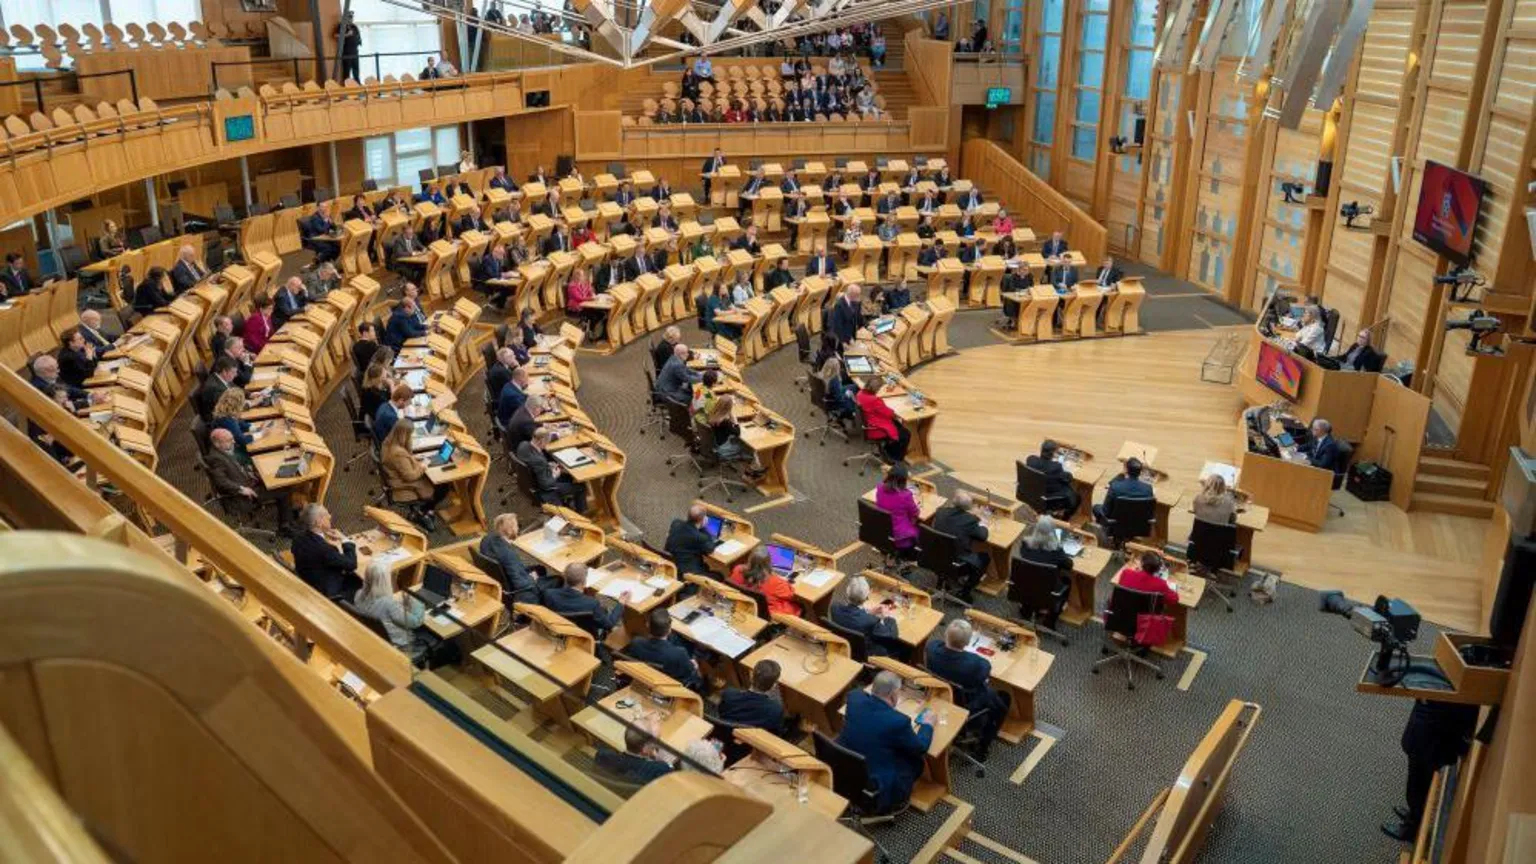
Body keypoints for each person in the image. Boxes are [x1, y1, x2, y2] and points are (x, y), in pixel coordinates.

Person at [837, 671, 935, 814]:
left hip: (846, 769)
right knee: (915, 759)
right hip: (879, 784)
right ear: (894, 695)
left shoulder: (854, 699)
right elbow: (920, 748)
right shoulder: (898, 722)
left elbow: (861, 696)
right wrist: (928, 725)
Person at [1382, 700, 1480, 841]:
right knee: (1418, 779)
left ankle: (1412, 828)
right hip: (1437, 718)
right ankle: (1414, 815)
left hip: (1433, 732)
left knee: (1418, 782)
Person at [926, 619, 1010, 759]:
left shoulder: (932, 648)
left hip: (938, 696)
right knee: (1002, 701)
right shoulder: (976, 664)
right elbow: (986, 668)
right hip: (965, 704)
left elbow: (938, 644)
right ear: (968, 642)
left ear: (946, 634)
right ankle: (984, 746)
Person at [204, 427, 293, 533]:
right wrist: (241, 489)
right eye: (229, 440)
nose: (234, 441)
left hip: (248, 481)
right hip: (243, 496)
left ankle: (287, 518)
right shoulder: (216, 459)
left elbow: (235, 468)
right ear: (217, 444)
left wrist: (251, 473)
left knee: (272, 475)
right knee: (284, 490)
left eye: (232, 438)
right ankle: (285, 527)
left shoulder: (222, 451)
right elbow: (221, 482)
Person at [353, 560, 432, 663]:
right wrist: (418, 602)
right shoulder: (388, 604)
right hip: (401, 644)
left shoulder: (358, 594)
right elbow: (415, 622)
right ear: (385, 580)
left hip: (377, 638)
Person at [381, 420, 449, 524]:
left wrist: (415, 460)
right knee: (443, 486)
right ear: (404, 435)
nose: (411, 437)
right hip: (403, 483)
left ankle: (426, 510)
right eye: (410, 435)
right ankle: (424, 510)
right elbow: (410, 476)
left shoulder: (387, 442)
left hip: (394, 478)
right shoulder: (398, 454)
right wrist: (423, 466)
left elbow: (405, 461)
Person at [290, 504, 360, 601]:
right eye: (326, 514)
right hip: (328, 592)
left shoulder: (298, 538)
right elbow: (352, 564)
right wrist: (345, 540)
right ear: (318, 522)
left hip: (309, 580)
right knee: (362, 582)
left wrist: (323, 537)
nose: (330, 516)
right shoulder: (325, 550)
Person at [626, 608, 704, 692]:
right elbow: (689, 671)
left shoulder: (636, 642)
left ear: (647, 625)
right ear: (669, 630)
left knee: (676, 639)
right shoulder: (680, 653)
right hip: (670, 685)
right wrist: (694, 665)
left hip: (648, 677)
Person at [478, 513, 547, 604]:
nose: (518, 528)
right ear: (510, 531)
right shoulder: (509, 555)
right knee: (557, 579)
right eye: (517, 526)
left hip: (497, 574)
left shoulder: (486, 539)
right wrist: (532, 578)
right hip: (515, 585)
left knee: (540, 568)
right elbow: (519, 583)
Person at [932, 491, 989, 600]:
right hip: (957, 565)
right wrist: (983, 523)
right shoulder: (970, 520)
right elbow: (983, 536)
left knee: (945, 547)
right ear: (969, 507)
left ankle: (941, 581)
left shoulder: (940, 512)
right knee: (984, 557)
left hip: (934, 558)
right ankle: (965, 592)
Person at [516, 427, 588, 512]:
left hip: (532, 481)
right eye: (546, 443)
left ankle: (568, 503)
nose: (546, 445)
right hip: (546, 490)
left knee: (569, 477)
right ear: (541, 441)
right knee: (581, 486)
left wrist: (547, 465)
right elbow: (547, 484)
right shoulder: (539, 461)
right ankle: (582, 513)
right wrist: (555, 475)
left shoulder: (523, 445)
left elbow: (533, 463)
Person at [829, 575, 902, 657]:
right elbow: (892, 636)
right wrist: (888, 617)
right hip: (868, 654)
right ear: (866, 597)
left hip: (845, 647)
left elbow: (853, 617)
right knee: (902, 647)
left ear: (847, 592)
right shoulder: (872, 621)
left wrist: (869, 612)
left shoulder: (834, 608)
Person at [543, 562, 621, 634]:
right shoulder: (592, 604)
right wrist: (621, 603)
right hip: (583, 637)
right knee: (604, 612)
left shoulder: (549, 594)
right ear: (584, 582)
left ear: (565, 576)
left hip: (558, 631)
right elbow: (610, 624)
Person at [729, 547, 800, 617]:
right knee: (799, 605)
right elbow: (791, 595)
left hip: (745, 605)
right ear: (769, 563)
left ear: (749, 559)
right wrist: (781, 579)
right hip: (769, 612)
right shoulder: (775, 582)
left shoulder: (737, 569)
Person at [594, 723, 675, 785]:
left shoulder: (603, 756)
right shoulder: (659, 769)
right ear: (644, 749)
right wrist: (667, 762)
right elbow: (672, 783)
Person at [856, 377, 910, 462]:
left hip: (868, 422)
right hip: (875, 428)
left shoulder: (860, 393)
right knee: (905, 434)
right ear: (876, 388)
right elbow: (889, 413)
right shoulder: (875, 400)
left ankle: (888, 449)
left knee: (898, 426)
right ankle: (895, 457)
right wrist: (894, 411)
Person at [874, 462, 921, 554]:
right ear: (904, 481)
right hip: (900, 539)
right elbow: (915, 513)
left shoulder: (880, 488)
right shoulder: (906, 495)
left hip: (882, 533)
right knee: (921, 526)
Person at [1094, 457, 1155, 524]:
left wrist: (1122, 473)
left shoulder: (1115, 486)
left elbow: (1105, 511)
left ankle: (1101, 528)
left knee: (1096, 507)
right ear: (1140, 473)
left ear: (1127, 470)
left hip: (1115, 528)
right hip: (1137, 526)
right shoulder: (1148, 489)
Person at [1026, 439, 1080, 515]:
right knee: (1076, 497)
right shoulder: (1056, 467)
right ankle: (1064, 520)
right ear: (1053, 453)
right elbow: (1068, 478)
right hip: (1048, 499)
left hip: (1031, 495)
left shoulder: (1030, 460)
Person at [664, 503, 720, 576]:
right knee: (719, 575)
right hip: (690, 573)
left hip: (673, 562)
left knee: (706, 565)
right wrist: (704, 528)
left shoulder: (676, 523)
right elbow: (710, 549)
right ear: (703, 520)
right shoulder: (700, 537)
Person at [210, 387, 253, 457]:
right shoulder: (228, 421)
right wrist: (260, 434)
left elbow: (240, 424)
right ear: (237, 405)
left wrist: (254, 427)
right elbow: (242, 440)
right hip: (234, 452)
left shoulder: (224, 412)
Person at [196, 356, 240, 422]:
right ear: (224, 372)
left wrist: (250, 394)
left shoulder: (218, 377)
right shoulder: (216, 389)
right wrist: (250, 404)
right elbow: (229, 409)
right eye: (233, 372)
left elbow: (234, 387)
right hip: (220, 421)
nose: (236, 375)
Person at [565, 267, 605, 339]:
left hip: (585, 306)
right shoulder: (572, 286)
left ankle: (590, 328)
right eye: (581, 275)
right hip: (576, 308)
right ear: (576, 276)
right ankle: (590, 330)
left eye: (583, 275)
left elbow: (589, 290)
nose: (583, 277)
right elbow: (579, 298)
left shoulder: (583, 283)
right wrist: (591, 298)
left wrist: (591, 292)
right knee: (594, 316)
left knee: (601, 313)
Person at [359, 352, 395, 422]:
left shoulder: (373, 386)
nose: (386, 378)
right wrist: (391, 385)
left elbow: (387, 397)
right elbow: (392, 403)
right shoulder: (373, 393)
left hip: (380, 412)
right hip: (378, 420)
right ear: (377, 378)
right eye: (384, 376)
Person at [337, 12, 362, 81]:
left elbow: (358, 36)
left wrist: (359, 41)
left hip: (355, 52)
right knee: (347, 72)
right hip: (347, 53)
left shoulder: (354, 27)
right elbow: (335, 35)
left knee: (356, 71)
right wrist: (346, 35)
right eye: (349, 17)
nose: (351, 19)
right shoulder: (341, 26)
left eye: (351, 17)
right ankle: (347, 87)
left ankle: (357, 85)